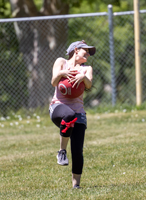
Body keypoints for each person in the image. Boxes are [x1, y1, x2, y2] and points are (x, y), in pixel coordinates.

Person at [49, 40, 96, 189]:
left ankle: (76, 186)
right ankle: (61, 151)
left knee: (77, 150)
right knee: (69, 115)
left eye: (89, 52)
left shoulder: (87, 69)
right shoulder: (61, 62)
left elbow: (89, 84)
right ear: (76, 50)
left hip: (79, 111)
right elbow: (53, 82)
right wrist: (62, 73)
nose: (88, 54)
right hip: (58, 107)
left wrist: (83, 77)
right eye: (85, 51)